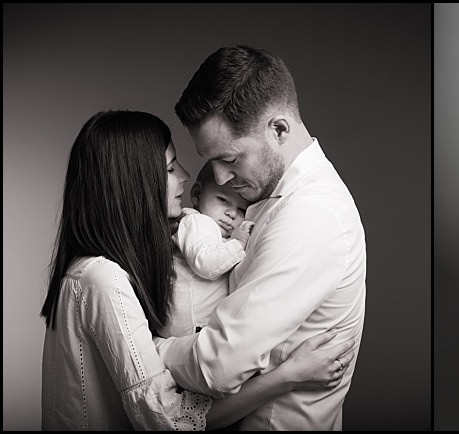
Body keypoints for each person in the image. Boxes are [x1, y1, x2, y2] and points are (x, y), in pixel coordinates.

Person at [40, 110, 356, 430]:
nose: (186, 174)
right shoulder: (101, 279)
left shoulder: (93, 271)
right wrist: (288, 377)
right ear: (132, 183)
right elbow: (169, 421)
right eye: (169, 167)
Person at [154, 45, 368, 430]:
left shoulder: (310, 216)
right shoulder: (270, 199)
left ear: (280, 129)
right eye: (211, 160)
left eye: (231, 159)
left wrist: (148, 348)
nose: (218, 179)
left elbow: (217, 366)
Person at [162, 161, 254, 338]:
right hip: (189, 323)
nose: (232, 213)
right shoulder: (196, 223)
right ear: (197, 194)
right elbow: (206, 264)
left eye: (241, 209)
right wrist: (238, 243)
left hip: (197, 323)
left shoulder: (216, 234)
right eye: (223, 200)